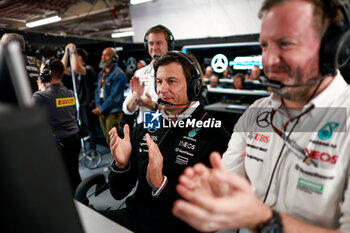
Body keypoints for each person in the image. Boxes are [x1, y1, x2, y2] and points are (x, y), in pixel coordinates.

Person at [172, 0, 350, 232]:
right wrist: (216, 196)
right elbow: (230, 185)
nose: (270, 60)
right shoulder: (257, 111)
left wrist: (265, 220)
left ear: (333, 49)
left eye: (286, 43)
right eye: (265, 45)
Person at [103, 51, 231, 233]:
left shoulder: (216, 135)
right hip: (133, 219)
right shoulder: (148, 124)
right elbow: (118, 193)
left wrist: (161, 186)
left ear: (193, 86)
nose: (162, 90)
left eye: (172, 81)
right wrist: (121, 165)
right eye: (159, 81)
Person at [32, 59, 81, 193]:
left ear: (45, 75)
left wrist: (40, 89)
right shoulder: (70, 93)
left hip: (60, 144)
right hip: (75, 140)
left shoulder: (40, 96)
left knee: (60, 179)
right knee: (73, 173)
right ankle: (82, 202)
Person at [122, 25, 174, 124]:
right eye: (151, 43)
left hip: (169, 130)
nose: (154, 47)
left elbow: (182, 111)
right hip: (144, 131)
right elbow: (127, 109)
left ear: (169, 45)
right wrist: (135, 98)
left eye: (159, 43)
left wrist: (152, 105)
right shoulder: (140, 73)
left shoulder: (178, 71)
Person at [61, 43, 97, 150]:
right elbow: (62, 69)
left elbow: (76, 67)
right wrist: (67, 52)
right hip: (78, 103)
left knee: (90, 128)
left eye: (75, 56)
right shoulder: (74, 72)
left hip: (87, 103)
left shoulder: (88, 69)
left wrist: (73, 51)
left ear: (80, 57)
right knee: (79, 128)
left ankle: (92, 150)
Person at [92, 47, 127, 145]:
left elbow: (115, 96)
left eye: (107, 55)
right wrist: (99, 107)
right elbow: (98, 91)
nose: (103, 57)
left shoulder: (119, 74)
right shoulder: (101, 74)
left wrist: (101, 109)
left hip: (113, 111)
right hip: (103, 110)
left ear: (114, 58)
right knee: (108, 140)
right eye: (102, 55)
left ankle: (122, 160)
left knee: (115, 141)